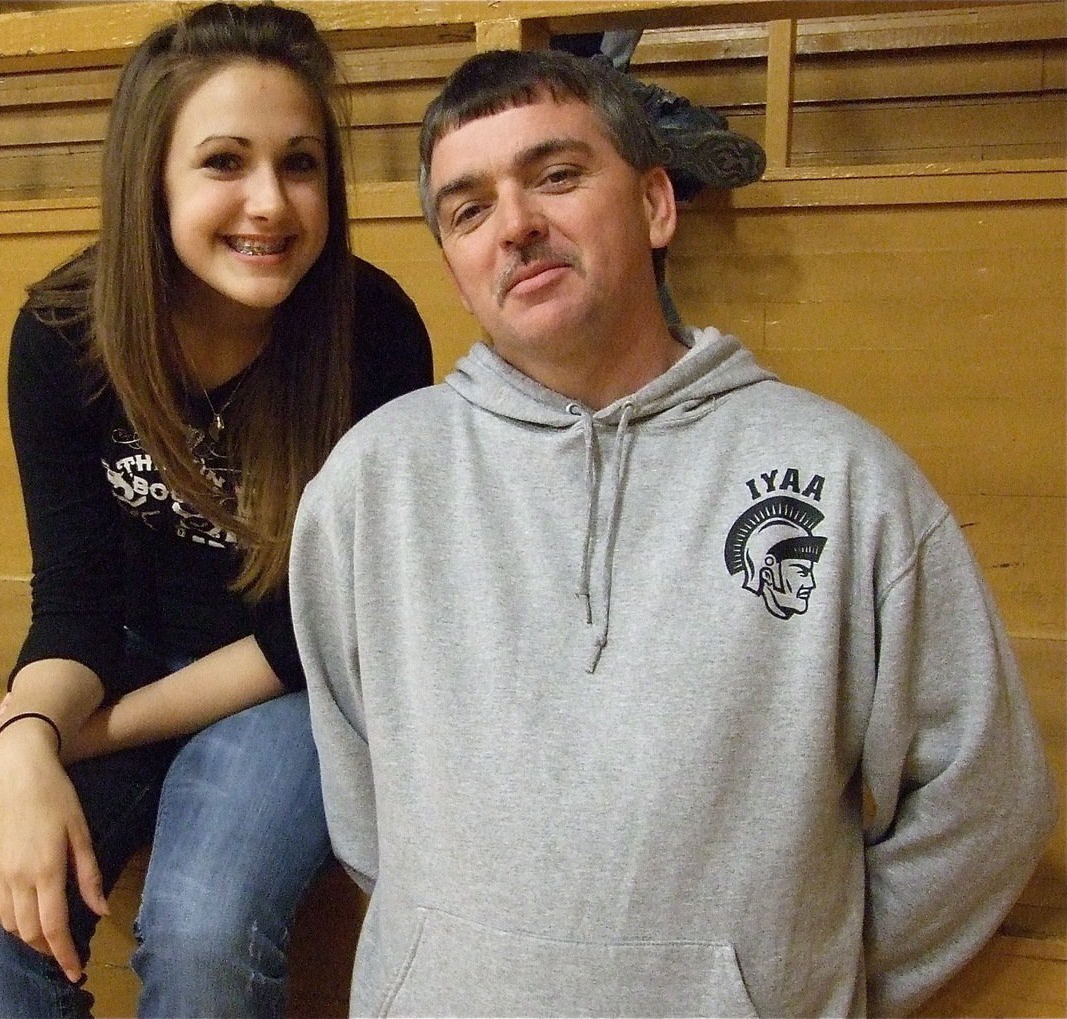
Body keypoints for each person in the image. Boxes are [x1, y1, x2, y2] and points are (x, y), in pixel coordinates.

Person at [289, 48, 1056, 1018]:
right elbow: (362, 800)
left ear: (656, 203)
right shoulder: (371, 483)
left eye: (557, 176)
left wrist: (796, 978)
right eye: (470, 208)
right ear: (453, 263)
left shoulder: (844, 478)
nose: (517, 225)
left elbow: (988, 796)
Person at [0, 4, 432, 1017]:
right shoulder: (64, 334)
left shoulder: (371, 332)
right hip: (121, 652)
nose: (270, 202)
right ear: (150, 178)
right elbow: (74, 597)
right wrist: (29, 735)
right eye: (224, 162)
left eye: (300, 163)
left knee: (204, 930)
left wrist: (60, 739)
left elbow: (308, 634)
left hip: (290, 680)